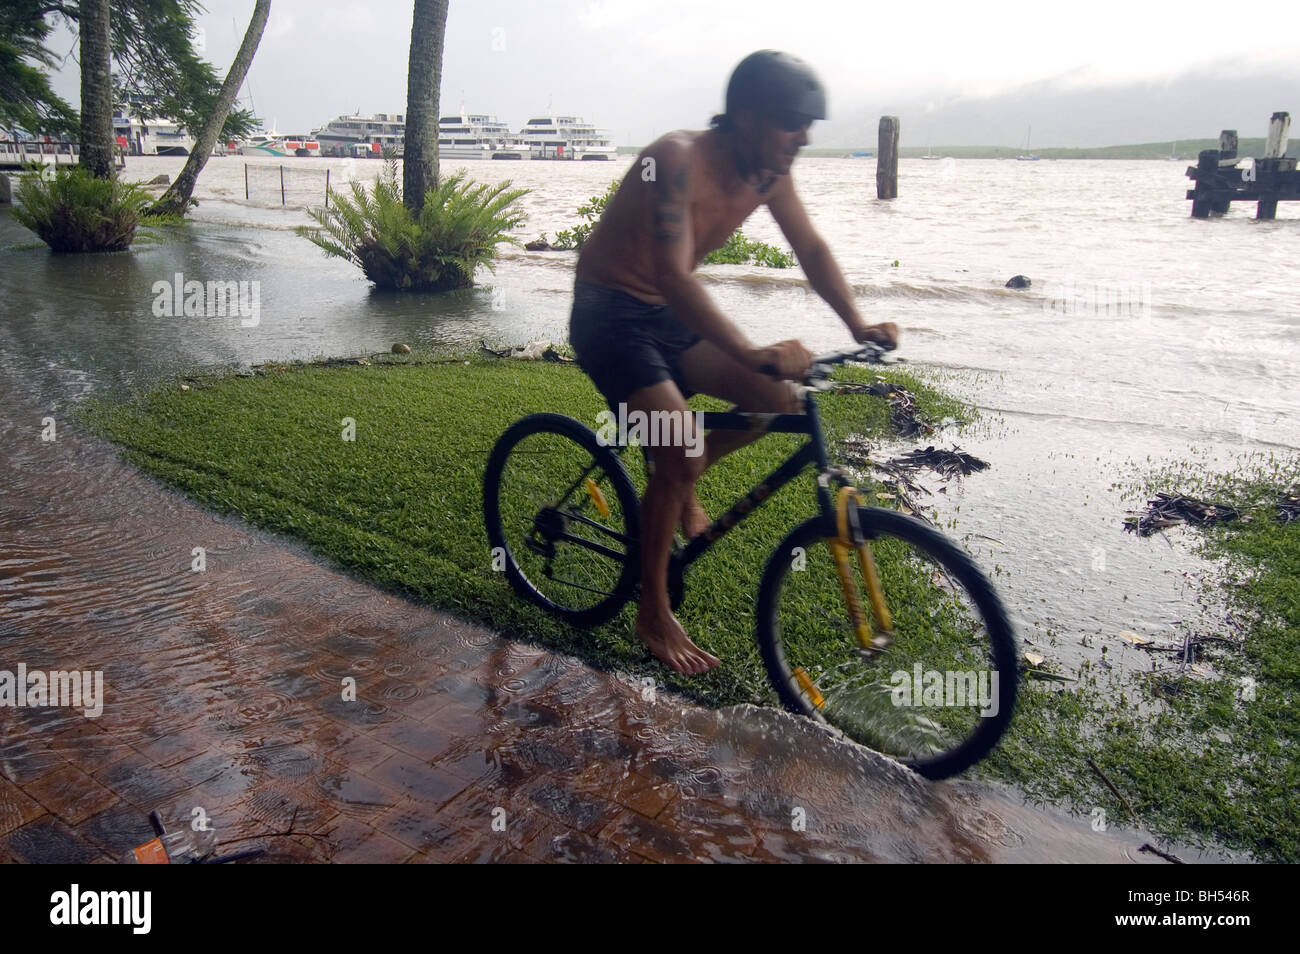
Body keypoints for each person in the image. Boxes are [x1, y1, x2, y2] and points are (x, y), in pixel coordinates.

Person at [568, 50, 899, 675]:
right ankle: (653, 610)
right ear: (745, 118)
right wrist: (749, 350)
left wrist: (858, 323)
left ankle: (679, 479)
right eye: (790, 122)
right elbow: (671, 272)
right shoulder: (676, 160)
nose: (802, 137)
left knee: (777, 401)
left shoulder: (767, 175)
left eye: (809, 125)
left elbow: (812, 247)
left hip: (666, 316)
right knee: (684, 448)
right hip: (610, 315)